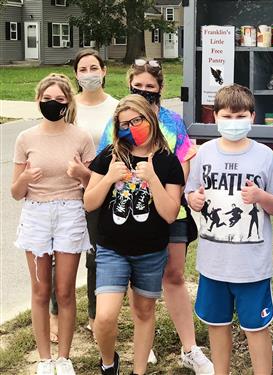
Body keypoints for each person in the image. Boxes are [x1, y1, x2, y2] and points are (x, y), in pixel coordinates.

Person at [97, 59, 213, 373]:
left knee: (173, 276)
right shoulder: (117, 121)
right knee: (138, 284)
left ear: (161, 88)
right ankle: (141, 347)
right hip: (130, 213)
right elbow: (105, 164)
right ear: (130, 85)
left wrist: (163, 187)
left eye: (151, 86)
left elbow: (183, 166)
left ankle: (189, 348)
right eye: (139, 86)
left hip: (170, 211)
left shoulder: (173, 122)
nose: (145, 91)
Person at [186, 84, 273, 374]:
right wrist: (193, 199)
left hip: (251, 267)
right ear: (215, 117)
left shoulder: (264, 157)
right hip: (213, 264)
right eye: (227, 116)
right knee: (217, 326)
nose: (233, 122)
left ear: (252, 117)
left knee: (256, 329)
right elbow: (191, 193)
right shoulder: (204, 154)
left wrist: (261, 197)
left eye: (240, 115)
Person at [84, 94, 184, 375]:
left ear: (149, 118)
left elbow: (170, 214)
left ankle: (138, 371)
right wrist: (108, 178)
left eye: (136, 120)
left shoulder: (167, 162)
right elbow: (89, 202)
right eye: (123, 124)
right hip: (112, 248)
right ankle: (108, 363)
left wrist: (152, 178)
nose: (130, 128)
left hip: (151, 251)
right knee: (104, 316)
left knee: (143, 312)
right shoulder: (109, 156)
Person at [11, 73, 95, 375]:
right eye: (47, 99)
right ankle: (45, 359)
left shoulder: (81, 137)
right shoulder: (25, 138)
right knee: (40, 290)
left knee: (65, 291)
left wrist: (81, 173)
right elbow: (15, 192)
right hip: (35, 214)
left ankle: (64, 357)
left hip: (70, 213)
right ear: (38, 101)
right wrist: (24, 178)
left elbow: (94, 185)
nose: (52, 104)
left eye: (59, 100)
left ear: (68, 102)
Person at [49, 49, 119, 343]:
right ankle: (55, 313)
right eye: (83, 69)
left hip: (100, 189)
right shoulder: (68, 106)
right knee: (60, 254)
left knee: (95, 255)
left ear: (104, 71)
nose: (89, 73)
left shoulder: (117, 107)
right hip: (65, 190)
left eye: (94, 67)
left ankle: (93, 315)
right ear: (76, 75)